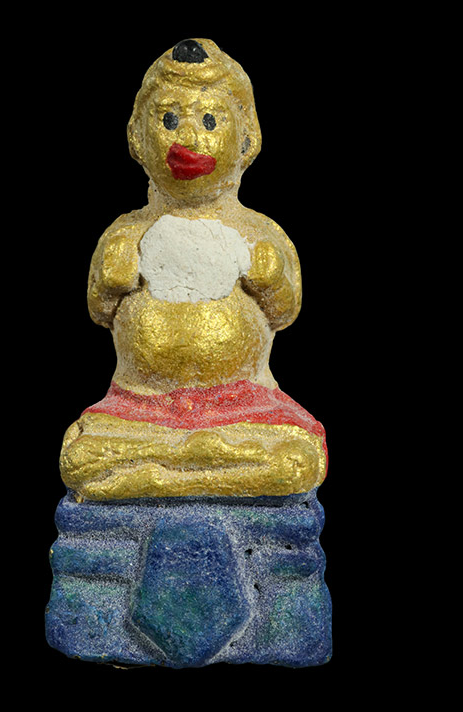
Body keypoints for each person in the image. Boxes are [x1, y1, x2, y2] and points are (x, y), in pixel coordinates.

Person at [60, 39, 327, 500]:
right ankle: (199, 465)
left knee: (297, 461)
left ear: (246, 138)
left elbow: (284, 312)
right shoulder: (127, 233)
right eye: (167, 120)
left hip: (240, 406)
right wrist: (110, 280)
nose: (186, 138)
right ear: (137, 138)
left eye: (210, 121)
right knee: (79, 457)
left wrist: (270, 280)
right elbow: (99, 310)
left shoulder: (260, 233)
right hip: (139, 407)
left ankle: (157, 477)